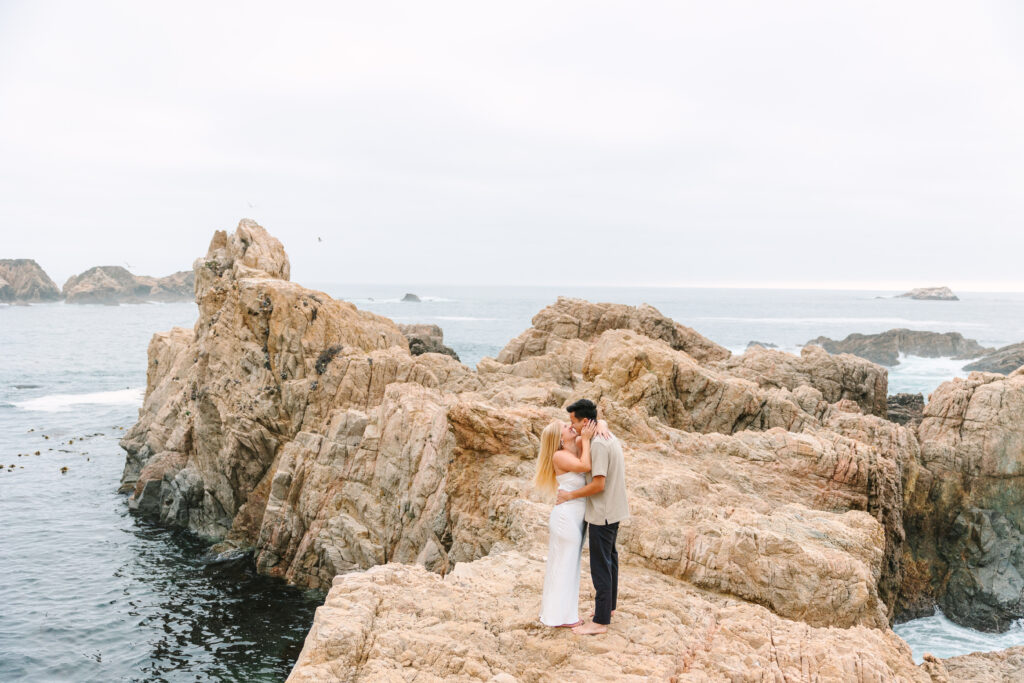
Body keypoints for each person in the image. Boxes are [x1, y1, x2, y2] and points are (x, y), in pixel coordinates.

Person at [557, 398, 630, 636]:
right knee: (610, 560)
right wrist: (603, 423)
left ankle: (600, 622)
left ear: (585, 421)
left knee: (600, 566)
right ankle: (608, 608)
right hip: (614, 509)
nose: (573, 426)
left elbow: (598, 484)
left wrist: (570, 495)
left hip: (603, 513)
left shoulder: (598, 444)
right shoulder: (604, 436)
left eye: (573, 422)